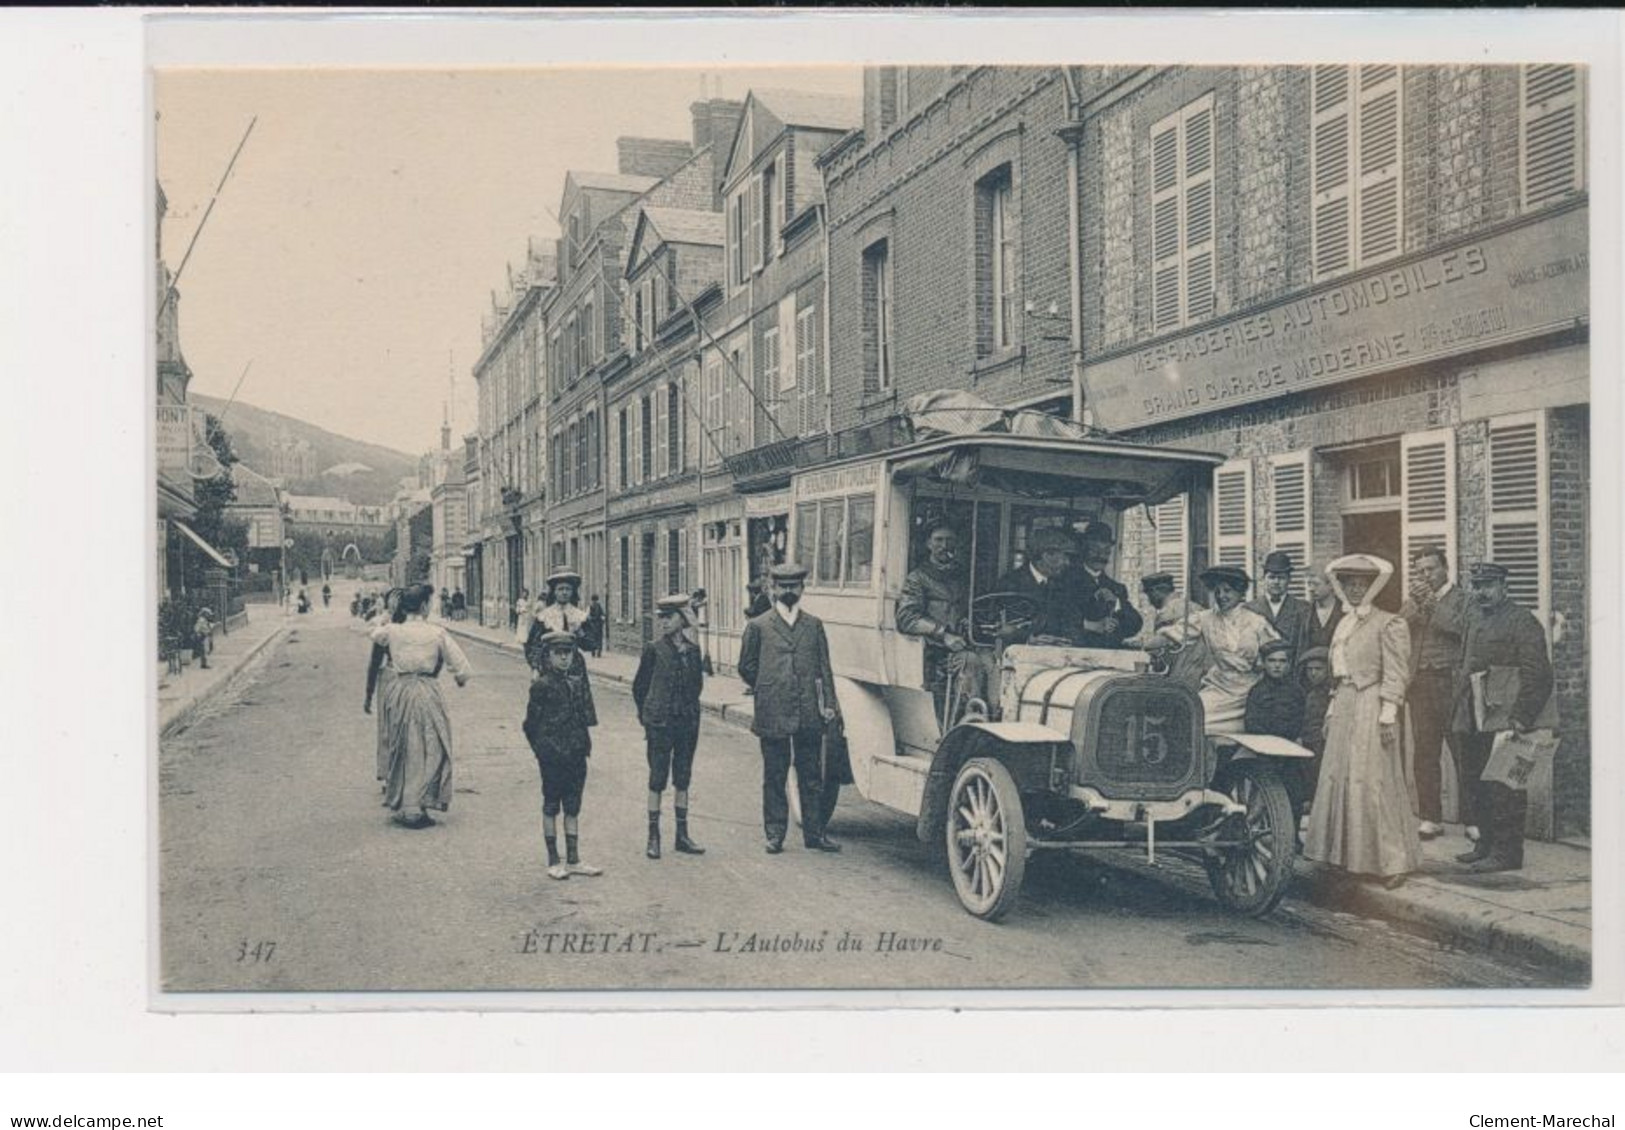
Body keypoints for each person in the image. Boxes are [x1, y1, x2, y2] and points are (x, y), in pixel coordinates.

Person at [1302, 555, 1419, 889]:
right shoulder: (1344, 623)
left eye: (1361, 585)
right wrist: (1330, 711)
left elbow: (1396, 673)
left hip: (1373, 702)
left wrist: (1388, 714)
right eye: (1350, 585)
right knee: (1341, 778)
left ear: (1373, 587)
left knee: (1375, 780)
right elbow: (1338, 675)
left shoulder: (1389, 623)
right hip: (1345, 704)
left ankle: (1392, 862)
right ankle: (1347, 858)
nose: (1355, 591)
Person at [1451, 561, 1554, 874]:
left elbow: (1539, 674)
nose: (1481, 592)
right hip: (1474, 715)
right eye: (1476, 586)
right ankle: (1485, 845)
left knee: (1505, 785)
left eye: (1488, 586)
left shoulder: (1523, 621)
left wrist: (1521, 717)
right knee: (1475, 783)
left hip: (1507, 718)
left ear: (1504, 587)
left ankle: (1508, 852)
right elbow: (1466, 666)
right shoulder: (1473, 618)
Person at [737, 562, 842, 855]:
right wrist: (768, 686)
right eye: (782, 586)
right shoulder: (758, 626)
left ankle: (815, 833)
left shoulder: (813, 625)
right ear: (772, 589)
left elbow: (825, 668)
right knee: (775, 775)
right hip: (773, 711)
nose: (788, 591)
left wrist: (829, 705)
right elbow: (746, 667)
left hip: (809, 712)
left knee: (810, 775)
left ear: (802, 589)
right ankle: (774, 834)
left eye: (793, 586)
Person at [371, 583, 472, 829]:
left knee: (403, 745)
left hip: (400, 690)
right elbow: (462, 667)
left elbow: (376, 634)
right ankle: (422, 803)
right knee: (432, 744)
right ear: (425, 605)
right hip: (427, 690)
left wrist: (388, 618)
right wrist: (459, 678)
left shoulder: (393, 631)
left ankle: (408, 805)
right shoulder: (436, 633)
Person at [1400, 547, 1471, 842]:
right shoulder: (1415, 600)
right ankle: (1430, 817)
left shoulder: (1463, 599)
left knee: (1462, 752)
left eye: (1430, 569)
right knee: (1425, 753)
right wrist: (1416, 605)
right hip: (1421, 685)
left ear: (1446, 569)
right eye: (1420, 571)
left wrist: (1432, 606)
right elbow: (1397, 627)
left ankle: (1472, 818)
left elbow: (1462, 630)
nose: (1426, 575)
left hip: (1452, 684)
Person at [522, 630, 602, 880]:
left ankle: (574, 858)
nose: (564, 659)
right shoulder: (541, 686)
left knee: (573, 805)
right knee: (551, 805)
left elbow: (582, 717)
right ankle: (553, 859)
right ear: (548, 656)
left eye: (568, 654)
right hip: (553, 756)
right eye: (559, 654)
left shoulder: (577, 683)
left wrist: (583, 745)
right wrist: (542, 751)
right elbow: (530, 724)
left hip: (576, 752)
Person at [896, 521, 994, 725]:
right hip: (936, 651)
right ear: (928, 544)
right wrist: (943, 633)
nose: (944, 545)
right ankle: (968, 722)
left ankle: (994, 717)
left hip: (966, 644)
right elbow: (906, 618)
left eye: (949, 540)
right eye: (938, 540)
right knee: (970, 661)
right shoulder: (918, 578)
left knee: (992, 661)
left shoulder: (964, 576)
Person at [633, 594, 707, 860]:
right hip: (660, 723)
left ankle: (682, 835)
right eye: (661, 617)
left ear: (683, 619)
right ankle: (653, 836)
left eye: (669, 617)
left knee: (683, 777)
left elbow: (697, 686)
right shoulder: (653, 649)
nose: (663, 622)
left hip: (686, 722)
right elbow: (639, 687)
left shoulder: (693, 650)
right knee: (657, 777)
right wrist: (648, 717)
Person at [1181, 565, 1280, 732]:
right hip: (1219, 688)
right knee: (1193, 717)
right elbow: (1173, 634)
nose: (1221, 596)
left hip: (1252, 691)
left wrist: (1261, 664)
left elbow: (1276, 651)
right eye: (1217, 591)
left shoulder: (1257, 622)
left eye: (1227, 591)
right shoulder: (1204, 619)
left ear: (1240, 593)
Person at [991, 528, 1082, 645]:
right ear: (1047, 555)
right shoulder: (1010, 584)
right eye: (1064, 557)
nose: (1067, 563)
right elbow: (998, 626)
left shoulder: (1063, 586)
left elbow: (1072, 623)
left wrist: (1069, 640)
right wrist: (1028, 639)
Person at [1067, 523, 1143, 648]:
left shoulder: (1116, 588)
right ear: (1084, 549)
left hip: (1109, 656)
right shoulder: (1066, 581)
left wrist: (1117, 602)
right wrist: (1092, 625)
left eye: (1106, 552)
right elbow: (1058, 619)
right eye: (1095, 550)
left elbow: (1135, 624)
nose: (1100, 556)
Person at [363, 588, 406, 789]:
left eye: (399, 601)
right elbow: (374, 661)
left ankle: (407, 773)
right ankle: (390, 774)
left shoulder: (411, 626)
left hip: (408, 679)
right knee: (389, 728)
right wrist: (369, 693)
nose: (395, 606)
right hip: (389, 678)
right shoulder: (384, 628)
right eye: (392, 602)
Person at [525, 570, 590, 678]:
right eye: (560, 589)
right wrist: (536, 668)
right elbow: (533, 645)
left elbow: (590, 645)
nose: (564, 592)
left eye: (568, 589)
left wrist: (579, 631)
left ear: (573, 592)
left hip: (574, 669)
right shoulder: (544, 617)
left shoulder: (580, 616)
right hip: (548, 668)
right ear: (554, 592)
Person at [1248, 551, 1311, 655]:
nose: (1276, 582)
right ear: (1263, 579)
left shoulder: (1304, 609)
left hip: (1292, 668)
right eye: (1272, 577)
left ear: (1289, 580)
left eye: (1281, 578)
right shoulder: (1250, 609)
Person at [1295, 645, 1333, 820]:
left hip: (1325, 742)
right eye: (1310, 669)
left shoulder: (1332, 694)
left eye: (1318, 669)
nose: (1313, 674)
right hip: (1309, 741)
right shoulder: (1307, 693)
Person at [1244, 639, 1305, 740]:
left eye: (1282, 661)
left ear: (1289, 664)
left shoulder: (1297, 692)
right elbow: (1251, 724)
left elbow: (1300, 724)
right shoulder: (1257, 691)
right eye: (1271, 660)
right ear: (1263, 663)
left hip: (1289, 745)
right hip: (1262, 744)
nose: (1277, 665)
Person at [1299, 565, 1345, 654]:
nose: (1311, 589)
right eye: (1309, 584)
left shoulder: (1344, 611)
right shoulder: (1304, 613)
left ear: (1331, 585)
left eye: (1316, 584)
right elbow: (1300, 648)